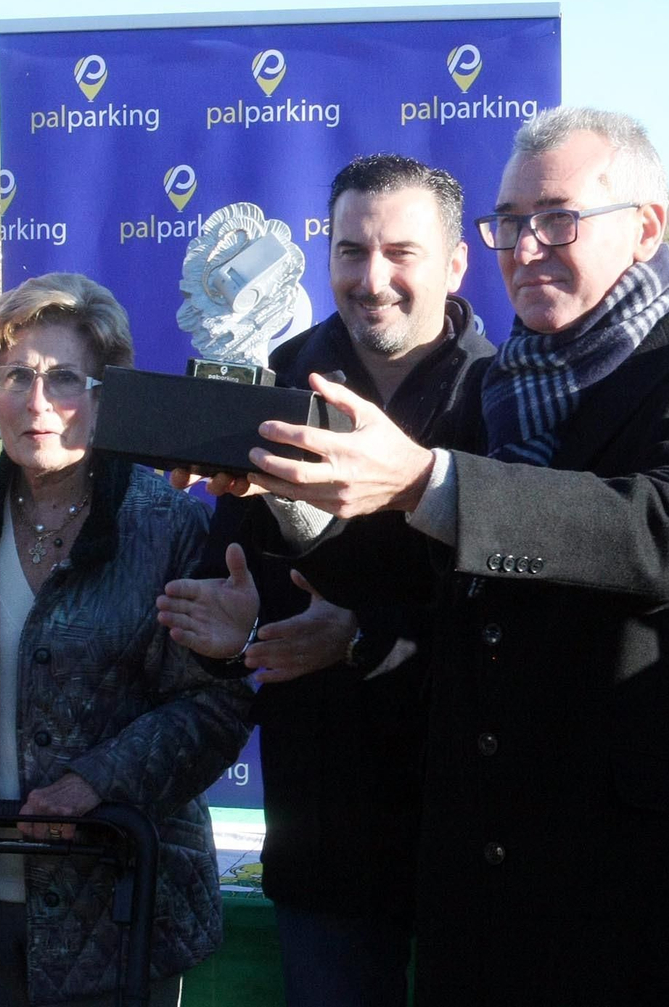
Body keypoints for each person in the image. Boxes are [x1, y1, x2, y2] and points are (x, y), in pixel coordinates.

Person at [166, 107, 669, 1004]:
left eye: (558, 219)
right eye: (511, 223)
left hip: (649, 907)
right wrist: (296, 495)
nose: (528, 245)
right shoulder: (512, 389)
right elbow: (424, 588)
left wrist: (426, 481)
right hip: (489, 899)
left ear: (648, 226)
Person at [0, 273, 252, 1007]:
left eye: (64, 378)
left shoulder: (167, 526)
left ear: (105, 392)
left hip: (118, 911)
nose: (37, 402)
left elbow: (212, 707)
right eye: (15, 377)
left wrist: (100, 781)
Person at [175, 154, 493, 1007]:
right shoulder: (283, 376)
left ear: (457, 264)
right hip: (326, 827)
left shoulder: (508, 395)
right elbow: (236, 577)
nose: (372, 278)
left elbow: (516, 615)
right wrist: (234, 621)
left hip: (476, 824)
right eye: (351, 251)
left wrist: (362, 634)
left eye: (401, 252)